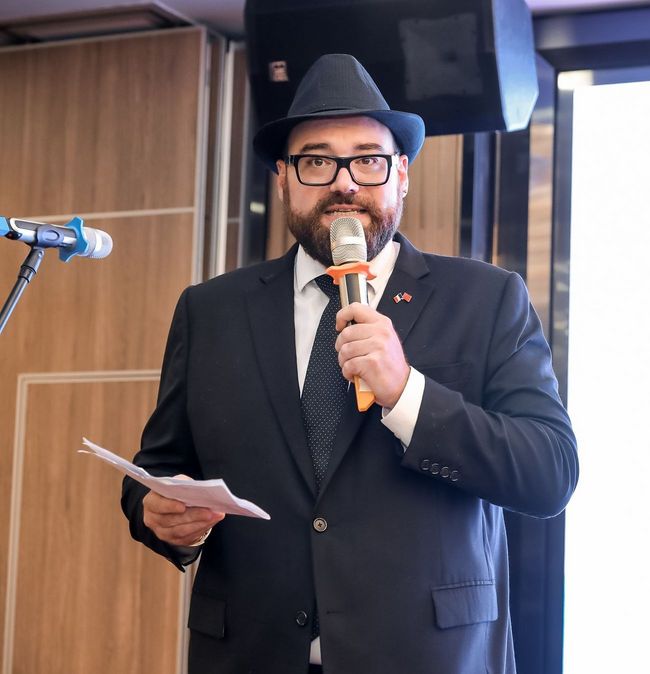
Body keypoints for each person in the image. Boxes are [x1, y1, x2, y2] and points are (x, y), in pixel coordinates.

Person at [120, 54, 577, 674]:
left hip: (428, 658)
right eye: (316, 161)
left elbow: (549, 473)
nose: (345, 183)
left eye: (368, 159)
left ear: (401, 174)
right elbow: (157, 467)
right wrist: (157, 514)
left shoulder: (487, 298)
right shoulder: (211, 310)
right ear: (283, 179)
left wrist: (407, 393)